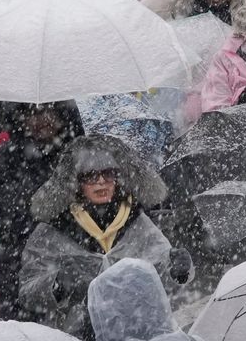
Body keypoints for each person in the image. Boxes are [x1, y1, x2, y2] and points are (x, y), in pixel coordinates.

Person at [18, 136, 182, 337]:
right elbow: (27, 292)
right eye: (90, 175)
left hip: (136, 332)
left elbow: (161, 283)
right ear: (76, 182)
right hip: (76, 335)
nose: (101, 181)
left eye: (108, 173)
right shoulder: (52, 232)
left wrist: (179, 271)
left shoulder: (138, 223)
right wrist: (57, 284)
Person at [0, 102, 82, 322]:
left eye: (49, 112)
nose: (41, 120)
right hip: (10, 276)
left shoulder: (76, 159)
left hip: (67, 272)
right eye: (32, 114)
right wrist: (17, 229)